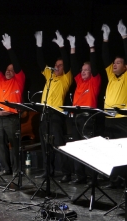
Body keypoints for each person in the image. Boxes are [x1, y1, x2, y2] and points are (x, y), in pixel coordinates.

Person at [34, 30, 73, 181]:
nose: (57, 67)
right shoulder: (50, 75)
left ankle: (66, 173)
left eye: (60, 65)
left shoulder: (66, 78)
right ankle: (47, 171)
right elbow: (40, 62)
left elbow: (68, 63)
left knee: (58, 145)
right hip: (44, 115)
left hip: (56, 115)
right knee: (45, 146)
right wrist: (38, 45)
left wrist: (62, 46)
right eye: (56, 65)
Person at [66, 33, 101, 184]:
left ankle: (92, 178)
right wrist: (72, 47)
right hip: (76, 117)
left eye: (86, 69)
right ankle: (80, 176)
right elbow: (74, 66)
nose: (83, 71)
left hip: (88, 118)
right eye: (83, 69)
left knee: (89, 148)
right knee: (77, 148)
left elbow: (93, 62)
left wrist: (92, 47)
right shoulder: (80, 81)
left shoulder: (94, 81)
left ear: (91, 71)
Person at [0, 34, 25, 177]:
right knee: (0, 144)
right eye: (7, 69)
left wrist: (9, 48)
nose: (8, 71)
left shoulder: (19, 80)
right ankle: (6, 168)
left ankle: (17, 169)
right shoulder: (1, 80)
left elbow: (16, 65)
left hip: (12, 118)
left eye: (11, 69)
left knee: (14, 145)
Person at [101, 20, 127, 188]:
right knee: (111, 152)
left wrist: (124, 36)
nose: (114, 65)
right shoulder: (111, 77)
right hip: (108, 119)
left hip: (122, 119)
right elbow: (104, 59)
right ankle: (114, 180)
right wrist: (105, 39)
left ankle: (124, 180)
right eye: (114, 63)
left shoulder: (126, 76)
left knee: (123, 151)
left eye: (118, 63)